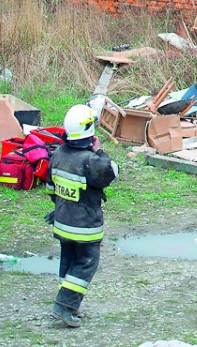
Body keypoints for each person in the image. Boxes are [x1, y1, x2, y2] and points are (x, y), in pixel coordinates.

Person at [47, 104, 117, 328]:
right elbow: (112, 172)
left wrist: (59, 208)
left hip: (62, 221)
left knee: (68, 261)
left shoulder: (57, 154)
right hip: (85, 227)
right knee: (87, 262)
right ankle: (64, 306)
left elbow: (51, 188)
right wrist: (99, 150)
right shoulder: (90, 160)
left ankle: (67, 301)